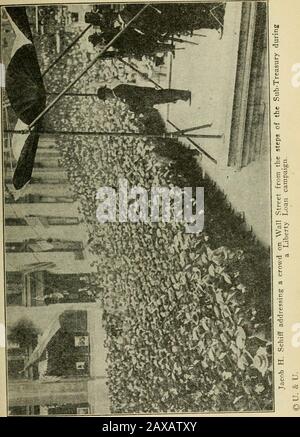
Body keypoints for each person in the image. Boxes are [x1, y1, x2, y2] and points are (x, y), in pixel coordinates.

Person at [97, 84, 191, 114]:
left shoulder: (118, 91)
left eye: (106, 97)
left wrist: (130, 108)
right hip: (145, 97)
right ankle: (183, 96)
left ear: (107, 93)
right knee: (164, 98)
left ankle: (184, 94)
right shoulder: (118, 91)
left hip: (145, 96)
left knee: (164, 95)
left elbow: (132, 98)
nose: (108, 99)